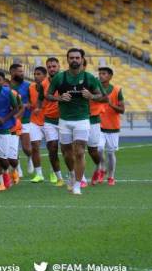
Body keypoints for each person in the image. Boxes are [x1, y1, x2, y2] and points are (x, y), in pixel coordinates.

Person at [46, 48, 105, 195]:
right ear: (67, 59)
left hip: (82, 120)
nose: (74, 60)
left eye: (77, 58)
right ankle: (72, 174)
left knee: (79, 152)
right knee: (67, 153)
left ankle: (78, 184)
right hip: (64, 120)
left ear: (82, 59)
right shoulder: (59, 78)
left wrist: (91, 95)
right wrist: (59, 98)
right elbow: (48, 95)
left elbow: (100, 96)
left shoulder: (89, 78)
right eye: (71, 58)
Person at [37, 58, 65, 186]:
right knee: (52, 148)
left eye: (54, 66)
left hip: (65, 119)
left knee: (67, 150)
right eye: (49, 67)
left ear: (59, 66)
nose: (52, 69)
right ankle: (59, 177)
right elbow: (40, 97)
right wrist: (38, 107)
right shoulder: (43, 83)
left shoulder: (66, 79)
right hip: (49, 120)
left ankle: (73, 174)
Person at [98, 67, 125, 186]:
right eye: (100, 73)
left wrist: (111, 104)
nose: (101, 76)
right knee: (98, 148)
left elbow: (122, 110)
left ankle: (111, 176)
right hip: (98, 125)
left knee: (110, 153)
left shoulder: (117, 90)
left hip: (113, 127)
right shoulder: (95, 89)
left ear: (110, 76)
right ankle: (102, 167)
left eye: (104, 74)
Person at [85, 60, 108, 187]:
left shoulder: (93, 81)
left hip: (93, 119)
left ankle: (100, 166)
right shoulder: (70, 81)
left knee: (96, 149)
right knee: (77, 149)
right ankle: (79, 178)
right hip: (78, 118)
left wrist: (92, 96)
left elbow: (105, 98)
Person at [10, 63, 34, 178]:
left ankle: (30, 157)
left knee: (26, 147)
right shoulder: (7, 86)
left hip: (25, 120)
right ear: (12, 72)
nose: (22, 73)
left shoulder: (28, 86)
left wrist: (26, 105)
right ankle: (18, 168)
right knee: (13, 148)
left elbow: (32, 102)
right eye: (19, 71)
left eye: (22, 71)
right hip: (11, 121)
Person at [28, 66, 47, 183]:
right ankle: (38, 174)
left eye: (39, 74)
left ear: (45, 76)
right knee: (35, 146)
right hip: (34, 120)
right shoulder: (30, 87)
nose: (36, 76)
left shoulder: (50, 87)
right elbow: (30, 101)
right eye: (35, 74)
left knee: (53, 148)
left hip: (49, 121)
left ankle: (54, 173)